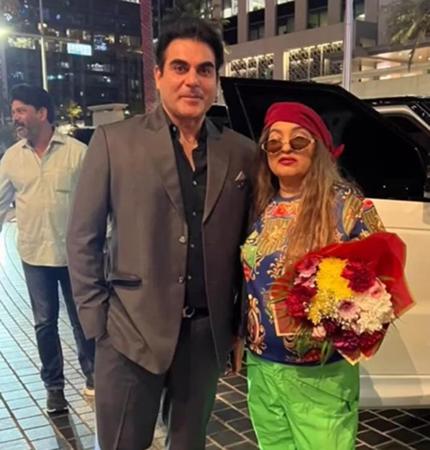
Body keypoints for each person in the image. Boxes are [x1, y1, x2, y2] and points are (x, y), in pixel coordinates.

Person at [66, 17, 255, 450]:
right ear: (158, 74)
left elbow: (250, 246)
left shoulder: (241, 153)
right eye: (180, 67)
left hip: (205, 337)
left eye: (204, 70)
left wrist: (238, 326)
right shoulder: (114, 142)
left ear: (216, 79)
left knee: (189, 444)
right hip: (129, 332)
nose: (192, 80)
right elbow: (82, 238)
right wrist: (97, 324)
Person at [241, 102, 385, 450]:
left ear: (318, 148)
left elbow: (383, 285)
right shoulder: (259, 204)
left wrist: (341, 316)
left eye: (298, 141)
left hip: (322, 376)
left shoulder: (348, 206)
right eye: (274, 143)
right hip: (262, 369)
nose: (285, 149)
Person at [0, 84, 95, 413]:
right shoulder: (12, 158)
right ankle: (54, 388)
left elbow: (97, 203)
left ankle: (94, 377)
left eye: (21, 111)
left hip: (75, 257)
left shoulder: (76, 153)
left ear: (42, 113)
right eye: (14, 111)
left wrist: (103, 245)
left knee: (83, 320)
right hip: (35, 256)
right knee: (44, 324)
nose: (16, 117)